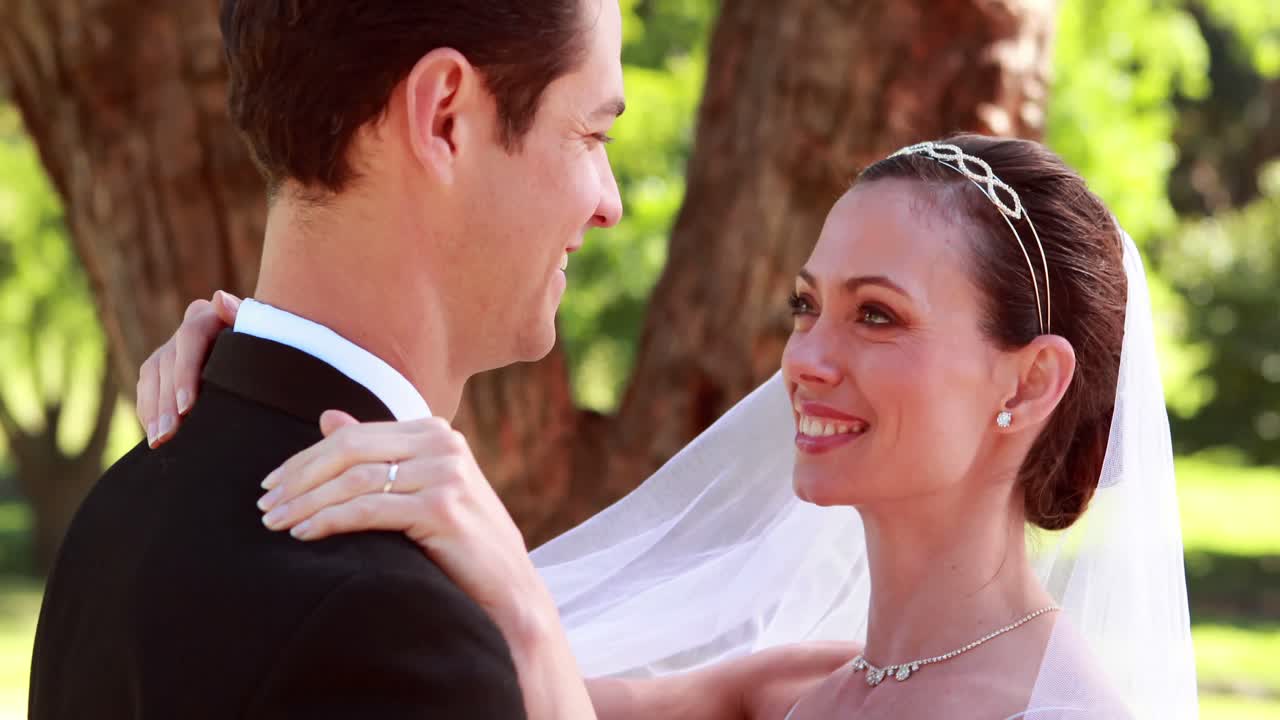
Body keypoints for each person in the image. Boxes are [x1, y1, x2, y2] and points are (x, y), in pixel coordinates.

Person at [139, 135, 1199, 718]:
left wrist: (512, 584)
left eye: (875, 315)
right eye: (805, 305)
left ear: (1028, 382)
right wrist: (262, 354)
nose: (805, 359)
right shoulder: (786, 690)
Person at [29, 1, 629, 718]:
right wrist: (531, 632)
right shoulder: (396, 630)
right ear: (444, 117)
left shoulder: (120, 512)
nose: (610, 204)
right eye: (590, 134)